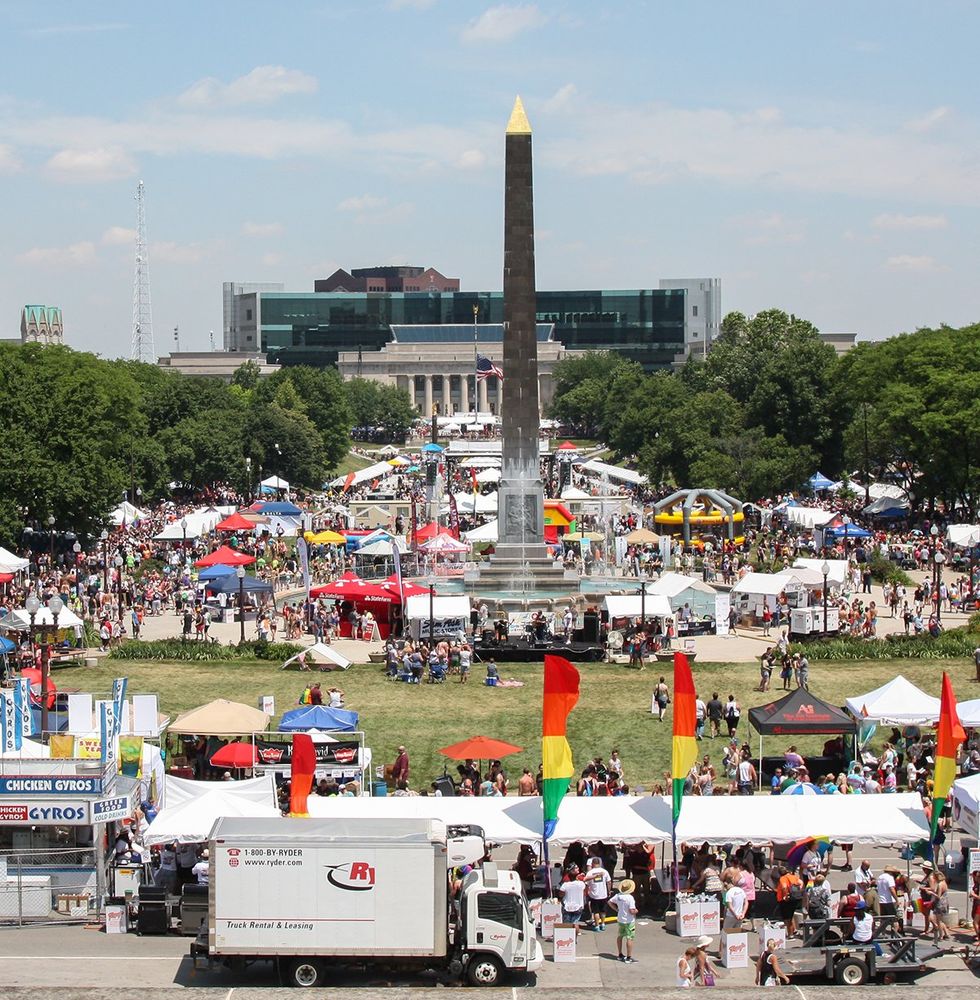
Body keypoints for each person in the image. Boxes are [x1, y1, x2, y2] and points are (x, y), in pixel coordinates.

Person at [609, 878, 638, 963]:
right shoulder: (630, 898)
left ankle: (620, 954)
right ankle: (629, 957)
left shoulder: (618, 896)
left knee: (620, 936)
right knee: (629, 938)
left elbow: (610, 902)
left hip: (620, 919)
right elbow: (632, 911)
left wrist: (617, 909)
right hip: (629, 920)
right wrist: (636, 911)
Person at [584, 856, 612, 931]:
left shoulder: (590, 872)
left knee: (595, 911)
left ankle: (597, 925)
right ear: (599, 863)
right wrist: (609, 891)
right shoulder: (605, 871)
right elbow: (609, 882)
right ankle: (602, 924)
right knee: (603, 910)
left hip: (594, 894)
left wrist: (586, 892)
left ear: (592, 863)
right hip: (603, 894)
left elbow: (586, 883)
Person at [776, 864, 804, 936]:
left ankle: (790, 934)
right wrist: (798, 890)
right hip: (794, 898)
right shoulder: (793, 877)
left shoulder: (783, 878)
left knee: (787, 918)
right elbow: (801, 882)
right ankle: (794, 930)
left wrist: (786, 896)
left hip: (785, 901)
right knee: (791, 916)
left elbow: (784, 887)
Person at [969, 868, 980, 945]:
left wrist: (973, 895)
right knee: (976, 922)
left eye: (975, 876)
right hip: (976, 904)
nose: (973, 878)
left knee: (975, 922)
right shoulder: (977, 884)